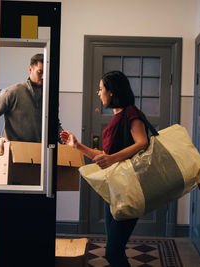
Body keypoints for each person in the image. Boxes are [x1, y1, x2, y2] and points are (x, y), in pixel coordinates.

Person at [60, 71, 148, 267]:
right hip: (115, 190)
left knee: (113, 253)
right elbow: (103, 157)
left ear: (112, 92)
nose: (98, 93)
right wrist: (77, 146)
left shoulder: (131, 114)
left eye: (101, 89)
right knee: (114, 251)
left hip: (129, 191)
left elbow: (142, 142)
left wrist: (112, 158)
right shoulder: (118, 117)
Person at [0, 53, 62, 155]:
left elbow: (54, 125)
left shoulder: (51, 97)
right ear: (30, 69)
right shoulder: (11, 92)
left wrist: (66, 140)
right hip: (14, 155)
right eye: (40, 72)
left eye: (47, 72)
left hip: (40, 156)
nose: (44, 76)